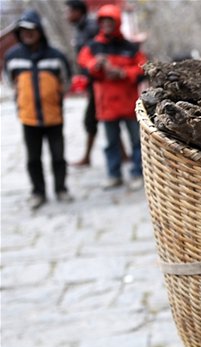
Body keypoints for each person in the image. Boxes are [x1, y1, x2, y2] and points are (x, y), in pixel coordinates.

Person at [4, 9, 73, 210]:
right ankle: (38, 192)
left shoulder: (55, 56)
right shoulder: (13, 57)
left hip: (54, 116)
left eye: (31, 30)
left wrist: (53, 96)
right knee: (33, 158)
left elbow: (66, 81)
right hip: (29, 117)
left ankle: (61, 188)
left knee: (58, 156)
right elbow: (9, 82)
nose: (27, 34)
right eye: (23, 30)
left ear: (40, 31)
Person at [77, 3, 145, 190]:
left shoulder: (130, 47)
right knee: (110, 142)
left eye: (110, 21)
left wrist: (123, 73)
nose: (106, 25)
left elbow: (142, 68)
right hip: (106, 104)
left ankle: (138, 172)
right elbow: (83, 64)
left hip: (128, 101)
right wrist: (95, 65)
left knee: (136, 142)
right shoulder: (93, 46)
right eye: (103, 21)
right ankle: (113, 174)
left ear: (117, 22)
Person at [65, 0, 98, 167]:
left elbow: (94, 54)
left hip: (98, 80)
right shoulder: (80, 28)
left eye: (70, 11)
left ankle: (87, 156)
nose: (67, 15)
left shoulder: (91, 28)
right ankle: (122, 154)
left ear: (79, 12)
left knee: (91, 119)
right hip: (90, 81)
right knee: (104, 117)